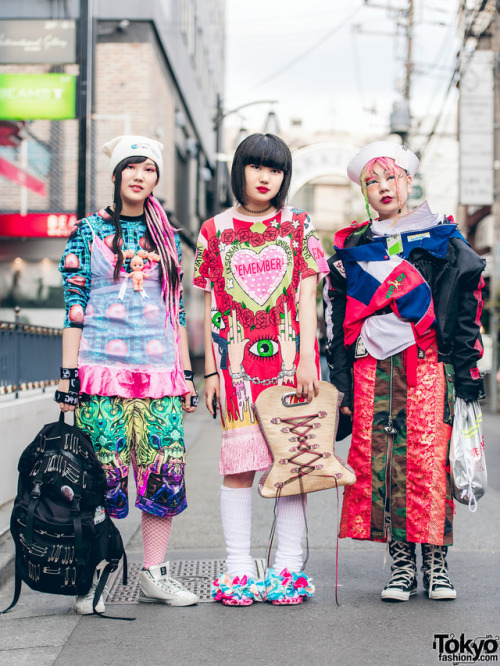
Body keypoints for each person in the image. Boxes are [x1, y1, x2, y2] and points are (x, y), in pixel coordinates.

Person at [323, 141, 486, 602]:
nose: (382, 188)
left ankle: (436, 563)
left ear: (408, 182)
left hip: (429, 365)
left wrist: (467, 372)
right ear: (364, 191)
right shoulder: (353, 246)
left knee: (430, 462)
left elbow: (464, 311)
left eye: (390, 178)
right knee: (384, 464)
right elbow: (335, 317)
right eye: (371, 181)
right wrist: (339, 378)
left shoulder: (443, 239)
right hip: (371, 368)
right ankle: (399, 565)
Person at [57, 135, 199, 614]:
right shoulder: (88, 231)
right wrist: (67, 379)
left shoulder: (167, 237)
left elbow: (174, 312)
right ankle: (94, 580)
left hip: (159, 375)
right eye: (132, 168)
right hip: (102, 374)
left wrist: (185, 375)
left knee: (162, 475)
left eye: (150, 170)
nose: (141, 177)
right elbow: (74, 309)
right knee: (102, 480)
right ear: (116, 175)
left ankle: (153, 575)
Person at [193, 133, 329, 606]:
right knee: (240, 467)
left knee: (291, 465)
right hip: (234, 367)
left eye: (275, 169)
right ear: (241, 171)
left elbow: (308, 298)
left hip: (292, 366)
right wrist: (211, 372)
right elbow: (211, 306)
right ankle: (236, 570)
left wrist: (310, 357)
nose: (266, 177)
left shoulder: (298, 226)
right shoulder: (214, 230)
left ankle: (287, 570)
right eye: (256, 167)